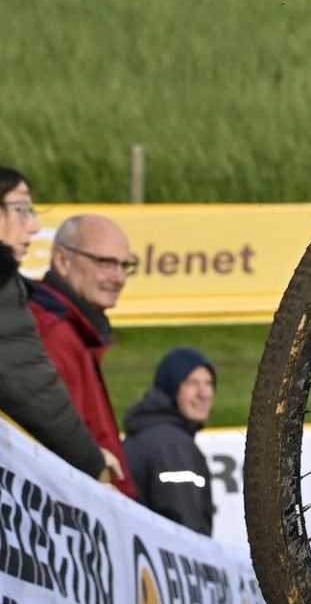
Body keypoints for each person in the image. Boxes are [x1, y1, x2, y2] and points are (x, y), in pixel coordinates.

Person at [0, 166, 123, 485]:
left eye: (125, 266)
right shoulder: (47, 322)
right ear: (63, 260)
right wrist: (93, 463)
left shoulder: (72, 323)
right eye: (22, 210)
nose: (34, 226)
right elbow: (34, 387)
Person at [28, 214, 135, 496]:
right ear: (63, 261)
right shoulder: (53, 332)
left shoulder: (76, 328)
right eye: (106, 263)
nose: (119, 278)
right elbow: (59, 442)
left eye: (125, 265)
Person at [122, 347, 217, 534]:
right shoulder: (174, 446)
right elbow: (186, 531)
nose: (204, 393)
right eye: (192, 383)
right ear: (170, 388)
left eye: (209, 383)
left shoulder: (149, 433)